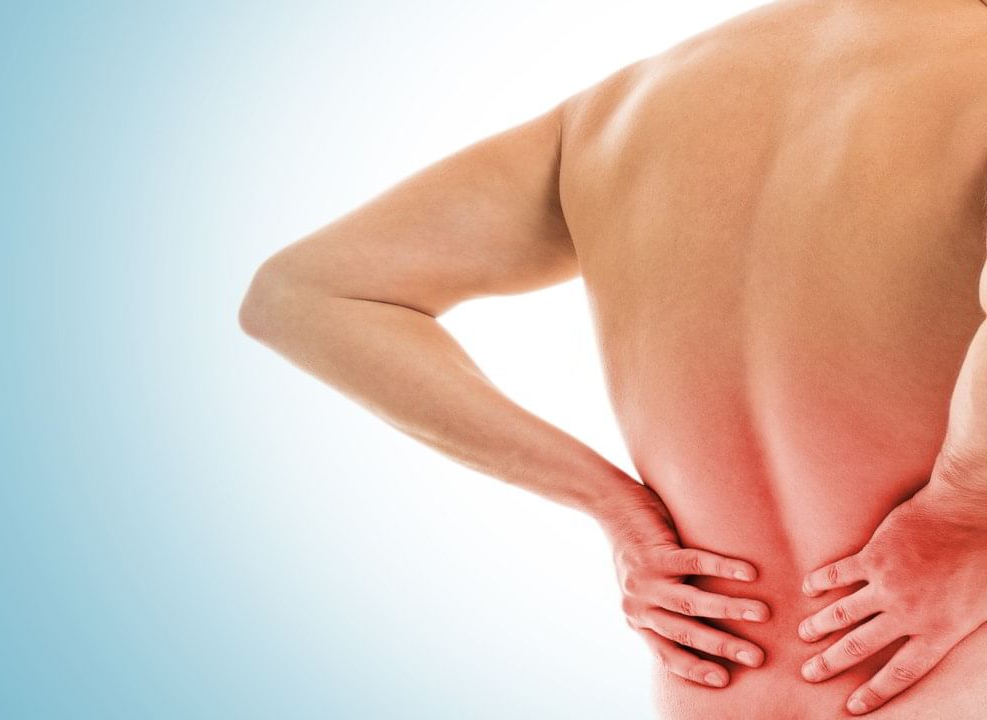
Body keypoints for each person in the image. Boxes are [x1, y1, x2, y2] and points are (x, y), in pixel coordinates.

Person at [237, 1, 987, 717]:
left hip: (714, 688)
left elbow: (303, 295)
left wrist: (613, 505)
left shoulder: (620, 109)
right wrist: (962, 506)